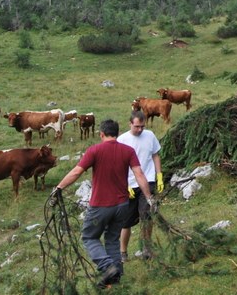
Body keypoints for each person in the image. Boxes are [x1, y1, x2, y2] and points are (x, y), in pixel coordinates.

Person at [51, 119, 154, 289]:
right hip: (122, 206)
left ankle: (107, 267)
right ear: (117, 133)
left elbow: (77, 172)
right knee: (112, 239)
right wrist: (149, 197)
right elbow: (140, 174)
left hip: (100, 206)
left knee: (89, 237)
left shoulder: (95, 150)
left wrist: (59, 187)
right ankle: (116, 276)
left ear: (101, 134)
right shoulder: (128, 151)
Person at [118, 113, 163, 263]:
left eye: (142, 126)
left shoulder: (150, 136)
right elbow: (118, 166)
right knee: (126, 222)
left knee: (146, 216)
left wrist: (159, 175)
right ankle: (123, 252)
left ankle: (146, 248)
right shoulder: (122, 140)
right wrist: (124, 184)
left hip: (148, 180)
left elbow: (155, 155)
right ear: (130, 123)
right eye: (137, 126)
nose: (140, 130)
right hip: (130, 183)